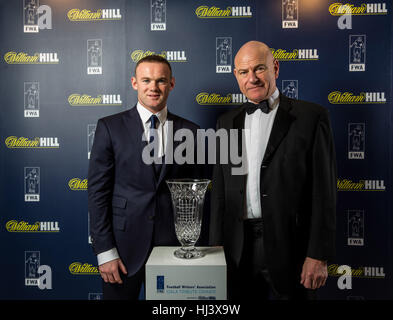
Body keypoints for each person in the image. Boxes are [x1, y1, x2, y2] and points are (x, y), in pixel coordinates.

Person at [209, 41, 337, 300]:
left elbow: (324, 191)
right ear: (236, 76)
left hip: (292, 247)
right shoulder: (225, 121)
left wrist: (318, 254)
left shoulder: (311, 117)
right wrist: (215, 249)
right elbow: (220, 192)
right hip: (237, 248)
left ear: (275, 68)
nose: (252, 78)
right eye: (244, 72)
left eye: (259, 69)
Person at [88, 55, 199, 300]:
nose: (154, 87)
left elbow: (198, 195)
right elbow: (97, 194)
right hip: (122, 248)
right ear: (134, 83)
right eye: (146, 80)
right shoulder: (110, 127)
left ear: (171, 84)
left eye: (161, 80)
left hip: (173, 247)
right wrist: (105, 251)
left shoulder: (191, 131)